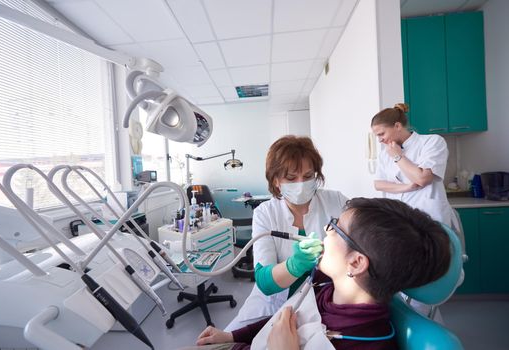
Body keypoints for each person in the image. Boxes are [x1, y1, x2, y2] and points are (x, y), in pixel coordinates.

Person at [195, 198, 452, 350]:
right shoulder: (325, 287)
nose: (326, 230)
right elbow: (287, 319)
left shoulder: (369, 342)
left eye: (335, 228)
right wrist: (231, 336)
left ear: (356, 262)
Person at [224, 135, 348, 331]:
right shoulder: (265, 213)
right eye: (291, 178)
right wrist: (295, 265)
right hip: (271, 303)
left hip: (325, 298)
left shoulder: (337, 202)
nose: (301, 183)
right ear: (275, 181)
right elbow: (265, 282)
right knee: (227, 339)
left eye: (308, 176)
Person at [370, 103, 455, 227]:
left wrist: (398, 156)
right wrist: (407, 187)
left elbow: (422, 178)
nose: (380, 140)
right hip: (399, 220)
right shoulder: (384, 153)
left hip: (431, 219)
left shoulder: (432, 142)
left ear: (397, 126)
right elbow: (378, 184)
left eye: (382, 134)